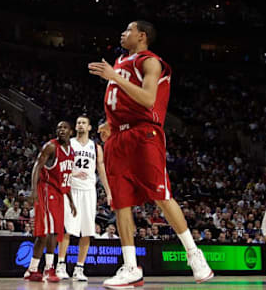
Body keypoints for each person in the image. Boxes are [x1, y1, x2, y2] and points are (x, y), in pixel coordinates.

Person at [88, 21, 213, 287]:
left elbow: (147, 99)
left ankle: (194, 255)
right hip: (117, 138)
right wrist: (109, 123)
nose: (123, 33)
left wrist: (113, 77)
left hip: (144, 134)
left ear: (142, 36)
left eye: (128, 29)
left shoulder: (151, 62)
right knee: (120, 203)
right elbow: (122, 101)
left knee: (161, 196)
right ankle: (131, 267)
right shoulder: (120, 62)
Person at [57, 115, 111, 281]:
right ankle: (60, 265)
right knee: (67, 229)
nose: (80, 125)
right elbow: (58, 163)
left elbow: (101, 171)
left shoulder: (96, 147)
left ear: (89, 127)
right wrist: (71, 172)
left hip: (89, 191)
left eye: (83, 123)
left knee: (87, 232)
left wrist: (108, 192)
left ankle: (79, 268)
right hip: (71, 189)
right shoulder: (68, 143)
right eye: (78, 123)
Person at [24, 122, 76, 282]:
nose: (61, 130)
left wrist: (71, 201)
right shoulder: (51, 147)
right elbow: (37, 166)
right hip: (46, 190)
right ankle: (44, 269)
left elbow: (65, 179)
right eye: (59, 128)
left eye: (64, 128)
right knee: (47, 232)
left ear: (71, 132)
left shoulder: (71, 152)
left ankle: (38, 269)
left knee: (54, 232)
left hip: (59, 193)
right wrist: (33, 191)